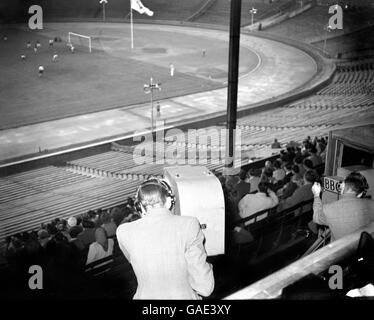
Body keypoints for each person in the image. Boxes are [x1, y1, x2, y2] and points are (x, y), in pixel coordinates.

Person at [116, 178, 214, 299]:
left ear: (139, 206)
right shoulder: (189, 224)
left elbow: (138, 260)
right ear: (168, 201)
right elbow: (205, 287)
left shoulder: (123, 231)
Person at [312, 172, 374, 241]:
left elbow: (316, 217)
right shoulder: (372, 204)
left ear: (342, 187)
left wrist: (316, 195)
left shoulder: (328, 209)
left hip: (340, 249)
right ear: (361, 194)